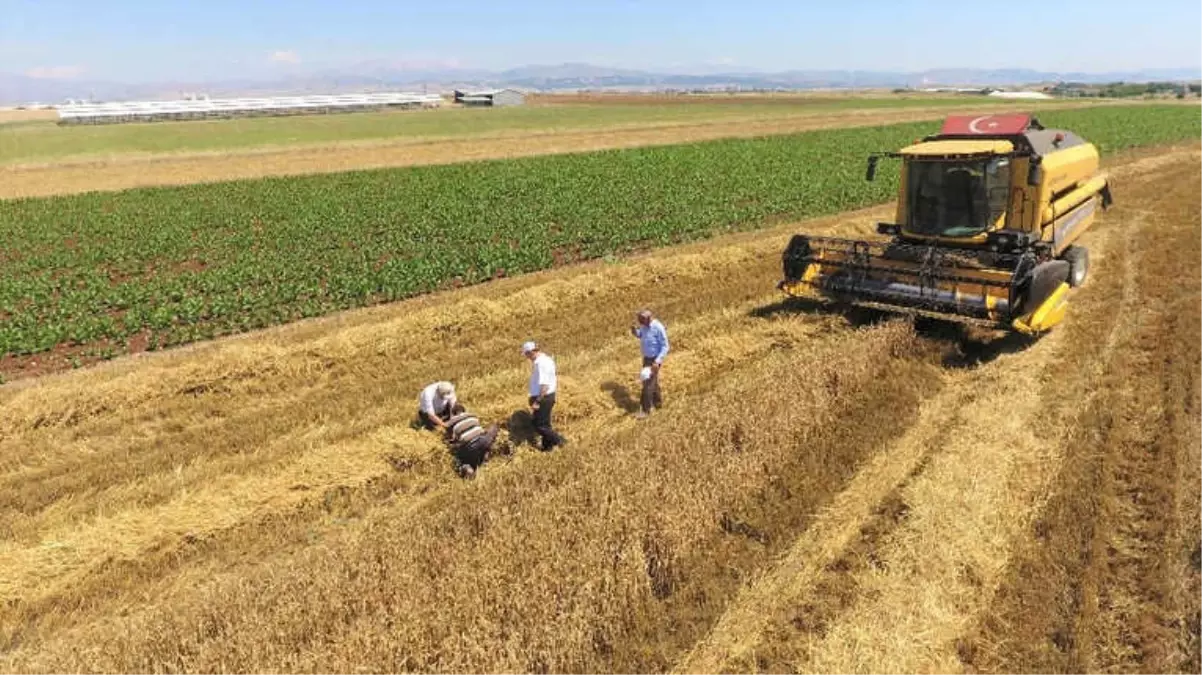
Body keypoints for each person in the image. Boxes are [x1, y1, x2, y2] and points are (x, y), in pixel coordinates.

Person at [521, 341, 566, 451]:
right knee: (545, 424)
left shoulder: (541, 364)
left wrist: (537, 401)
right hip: (547, 396)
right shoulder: (546, 359)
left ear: (531, 352)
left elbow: (544, 386)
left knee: (539, 425)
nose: (527, 357)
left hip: (544, 398)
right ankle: (547, 447)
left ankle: (561, 441)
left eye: (527, 354)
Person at [630, 309, 669, 419]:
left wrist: (657, 362)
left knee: (647, 384)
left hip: (654, 360)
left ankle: (645, 411)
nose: (639, 323)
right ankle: (658, 404)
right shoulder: (644, 326)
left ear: (648, 318)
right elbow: (641, 335)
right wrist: (635, 332)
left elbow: (665, 346)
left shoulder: (658, 327)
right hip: (646, 359)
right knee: (653, 383)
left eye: (641, 320)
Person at [444, 410, 500, 479]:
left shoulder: (452, 423)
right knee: (493, 429)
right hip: (483, 441)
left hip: (470, 447)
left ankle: (467, 468)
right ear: (464, 410)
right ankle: (485, 455)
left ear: (453, 414)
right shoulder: (472, 415)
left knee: (459, 458)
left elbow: (453, 440)